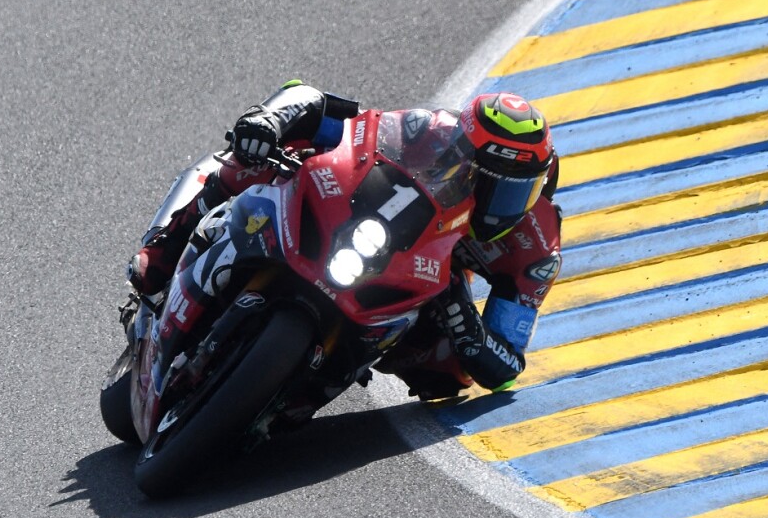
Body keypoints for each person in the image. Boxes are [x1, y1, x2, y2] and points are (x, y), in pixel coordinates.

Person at [126, 80, 562, 399]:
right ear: (459, 150)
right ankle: (165, 249)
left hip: (430, 285)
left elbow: (506, 368)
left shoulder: (536, 250)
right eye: (487, 182)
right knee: (258, 158)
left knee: (449, 374)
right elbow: (322, 107)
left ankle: (308, 382)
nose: (499, 203)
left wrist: (468, 328)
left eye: (518, 191)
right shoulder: (427, 131)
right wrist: (268, 123)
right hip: (371, 232)